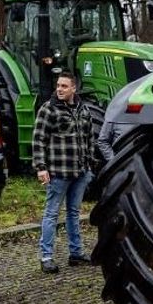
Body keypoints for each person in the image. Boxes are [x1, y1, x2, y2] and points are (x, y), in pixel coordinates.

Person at [33, 72, 101, 274]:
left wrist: (90, 165)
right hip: (59, 173)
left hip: (80, 172)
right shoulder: (48, 109)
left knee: (73, 212)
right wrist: (41, 167)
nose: (59, 89)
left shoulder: (83, 109)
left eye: (64, 86)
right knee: (51, 213)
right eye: (58, 85)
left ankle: (76, 253)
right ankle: (46, 257)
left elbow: (89, 139)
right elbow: (38, 140)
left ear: (74, 88)